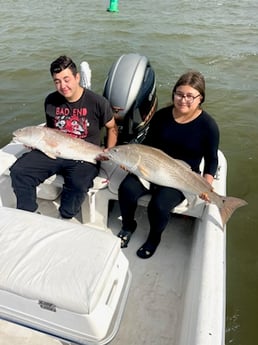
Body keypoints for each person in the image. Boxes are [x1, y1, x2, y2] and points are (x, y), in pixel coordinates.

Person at [117, 70, 220, 259]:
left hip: (181, 177)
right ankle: (128, 225)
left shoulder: (208, 126)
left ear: (200, 99)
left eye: (190, 96)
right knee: (126, 190)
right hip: (151, 168)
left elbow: (212, 159)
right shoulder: (161, 116)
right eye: (179, 94)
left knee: (159, 205)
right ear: (173, 93)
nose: (183, 100)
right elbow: (147, 145)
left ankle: (154, 238)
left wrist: (207, 185)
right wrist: (128, 161)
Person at [10, 55, 118, 219]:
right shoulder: (51, 101)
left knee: (78, 183)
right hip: (53, 151)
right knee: (19, 171)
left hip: (83, 155)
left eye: (66, 79)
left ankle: (65, 216)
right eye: (57, 81)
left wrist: (109, 151)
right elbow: (50, 129)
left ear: (77, 77)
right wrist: (33, 142)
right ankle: (28, 214)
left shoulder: (98, 102)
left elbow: (112, 127)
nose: (63, 86)